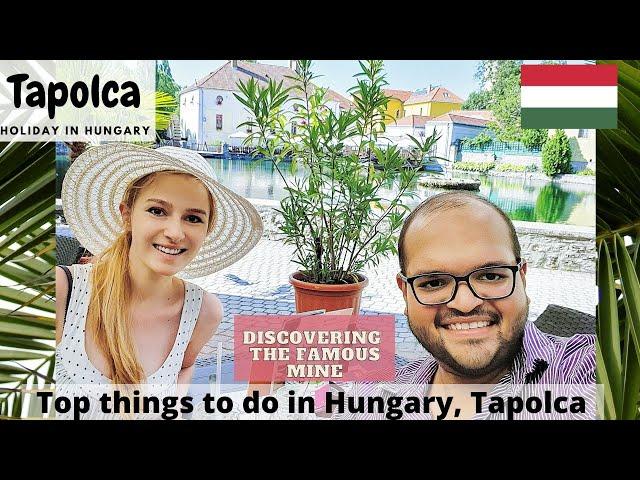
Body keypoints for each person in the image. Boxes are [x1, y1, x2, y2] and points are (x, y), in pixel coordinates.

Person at [333, 191, 595, 420]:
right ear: (405, 294)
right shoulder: (371, 397)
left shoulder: (587, 372)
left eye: (491, 276)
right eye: (434, 283)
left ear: (522, 279)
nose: (466, 303)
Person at [55, 144, 263, 406]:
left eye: (193, 218)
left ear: (206, 230)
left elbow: (183, 367)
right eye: (157, 211)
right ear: (127, 215)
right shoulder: (64, 292)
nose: (175, 233)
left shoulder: (202, 312)